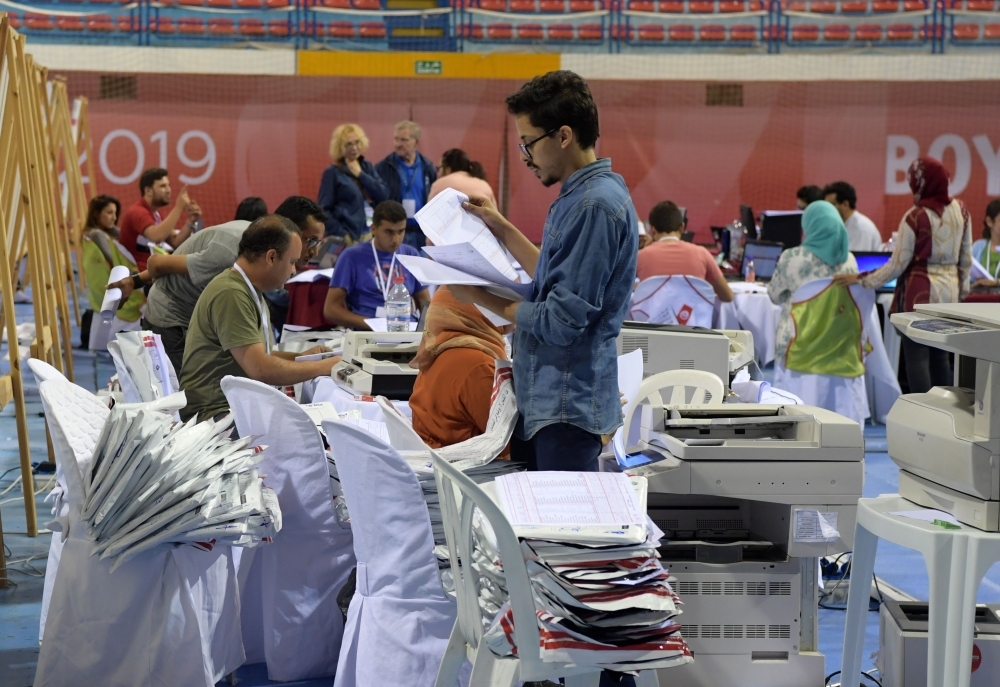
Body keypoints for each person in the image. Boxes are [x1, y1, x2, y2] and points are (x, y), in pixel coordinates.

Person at [449, 70, 637, 477]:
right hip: (550, 400)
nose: (524, 157)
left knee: (558, 535)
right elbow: (554, 276)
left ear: (564, 136)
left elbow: (561, 320)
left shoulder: (594, 206)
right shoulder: (578, 195)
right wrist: (500, 226)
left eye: (529, 142)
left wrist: (479, 295)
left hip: (567, 407)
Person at [110, 196, 326, 372]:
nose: (315, 252)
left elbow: (262, 354)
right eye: (311, 241)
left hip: (196, 315)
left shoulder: (258, 254)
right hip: (172, 319)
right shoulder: (235, 250)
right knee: (180, 402)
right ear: (289, 232)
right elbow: (158, 263)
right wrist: (134, 280)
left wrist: (300, 358)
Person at [179, 215, 341, 422]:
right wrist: (325, 367)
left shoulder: (249, 289)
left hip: (232, 408)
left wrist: (302, 358)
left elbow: (258, 354)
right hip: (215, 415)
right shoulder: (231, 293)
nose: (293, 270)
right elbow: (261, 369)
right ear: (271, 257)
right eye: (291, 262)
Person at [834, 157, 972, 394]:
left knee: (917, 357)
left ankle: (922, 414)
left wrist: (861, 279)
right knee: (940, 357)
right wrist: (962, 294)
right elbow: (966, 260)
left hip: (920, 295)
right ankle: (945, 414)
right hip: (950, 295)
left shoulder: (914, 216)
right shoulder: (962, 212)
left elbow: (896, 266)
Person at [408, 286, 509, 449]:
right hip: (467, 468)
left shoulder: (435, 351)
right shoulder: (478, 364)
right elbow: (505, 441)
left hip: (435, 461)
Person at [768, 201, 858, 369]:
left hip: (796, 345)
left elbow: (774, 297)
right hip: (839, 347)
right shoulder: (849, 260)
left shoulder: (791, 257)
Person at [323, 200, 430, 329]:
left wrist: (424, 331)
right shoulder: (351, 256)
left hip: (406, 329)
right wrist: (374, 326)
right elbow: (331, 309)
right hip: (369, 332)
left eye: (401, 231)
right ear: (373, 229)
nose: (396, 239)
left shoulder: (410, 254)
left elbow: (425, 302)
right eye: (389, 232)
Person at [79, 195, 144, 349]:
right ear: (96, 214)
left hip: (100, 291)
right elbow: (114, 261)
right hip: (113, 287)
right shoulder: (98, 235)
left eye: (115, 213)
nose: (114, 218)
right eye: (109, 213)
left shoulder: (93, 233)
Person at [636, 200, 734, 302]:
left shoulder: (640, 257)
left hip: (649, 318)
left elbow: (620, 289)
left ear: (652, 229)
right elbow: (728, 296)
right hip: (693, 317)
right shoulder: (702, 254)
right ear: (682, 227)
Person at [118, 167, 201, 272]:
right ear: (148, 191)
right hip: (139, 274)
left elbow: (175, 242)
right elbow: (157, 236)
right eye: (163, 186)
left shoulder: (156, 213)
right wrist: (179, 207)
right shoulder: (137, 212)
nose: (168, 190)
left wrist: (191, 221)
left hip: (153, 270)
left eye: (168, 185)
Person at [318, 123, 388, 244]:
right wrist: (342, 234)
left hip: (369, 234)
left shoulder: (367, 167)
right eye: (348, 144)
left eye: (356, 142)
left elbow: (383, 194)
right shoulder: (332, 173)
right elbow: (323, 210)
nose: (354, 147)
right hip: (346, 237)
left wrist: (361, 174)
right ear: (340, 147)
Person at [375, 120, 437, 248]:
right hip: (393, 232)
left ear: (416, 142)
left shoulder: (427, 167)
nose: (398, 144)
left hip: (421, 233)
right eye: (396, 139)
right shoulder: (384, 167)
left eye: (404, 140)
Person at [823, 181, 884, 252]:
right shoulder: (838, 225)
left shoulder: (861, 228)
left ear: (845, 204)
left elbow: (855, 260)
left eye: (831, 205)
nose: (826, 209)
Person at [428, 148, 497, 206]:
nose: (438, 173)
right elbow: (495, 217)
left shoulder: (440, 184)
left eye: (439, 168)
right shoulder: (485, 185)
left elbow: (427, 218)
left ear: (447, 170)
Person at [971, 198, 1000, 288]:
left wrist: (997, 283)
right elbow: (963, 277)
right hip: (980, 299)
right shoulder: (977, 247)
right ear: (990, 222)